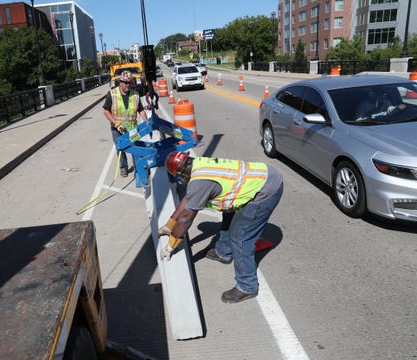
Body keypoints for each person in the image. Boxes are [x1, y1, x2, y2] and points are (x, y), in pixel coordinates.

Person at [157, 151, 283, 303]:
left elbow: (186, 218)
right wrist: (169, 225)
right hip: (261, 177)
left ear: (181, 174)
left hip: (265, 190)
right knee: (228, 213)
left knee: (241, 237)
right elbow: (188, 199)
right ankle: (223, 252)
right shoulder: (199, 164)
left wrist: (171, 245)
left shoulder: (199, 182)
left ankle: (247, 286)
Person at [103, 71, 148, 177]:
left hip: (132, 128)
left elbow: (141, 110)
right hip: (117, 129)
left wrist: (146, 122)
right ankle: (123, 168)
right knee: (120, 148)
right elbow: (106, 111)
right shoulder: (112, 94)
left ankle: (138, 167)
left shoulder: (135, 95)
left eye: (130, 83)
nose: (128, 85)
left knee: (135, 148)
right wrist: (116, 124)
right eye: (125, 83)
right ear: (120, 82)